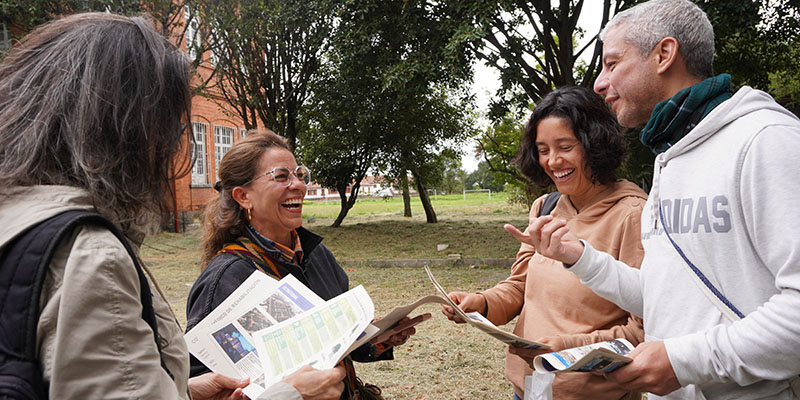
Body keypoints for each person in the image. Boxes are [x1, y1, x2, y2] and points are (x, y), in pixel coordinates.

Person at [0, 12, 344, 400]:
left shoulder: (20, 223)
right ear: (126, 130)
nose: (174, 147)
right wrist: (287, 394)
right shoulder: (93, 256)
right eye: (171, 125)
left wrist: (182, 391)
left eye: (298, 173)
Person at [505, 0, 800, 398]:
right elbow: (667, 295)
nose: (599, 83)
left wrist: (684, 361)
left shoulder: (766, 141)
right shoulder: (671, 158)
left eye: (612, 63)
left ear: (664, 54)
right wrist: (579, 257)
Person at [186, 129, 428, 399]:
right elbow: (200, 383)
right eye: (281, 176)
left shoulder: (317, 253)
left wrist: (375, 339)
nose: (299, 185)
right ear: (244, 197)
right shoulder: (224, 279)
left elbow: (337, 342)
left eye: (299, 174)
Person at [441, 86, 648, 400]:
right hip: (528, 389)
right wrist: (480, 304)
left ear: (594, 145)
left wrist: (564, 350)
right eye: (543, 149)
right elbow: (521, 288)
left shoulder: (634, 215)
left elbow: (643, 333)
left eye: (565, 146)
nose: (553, 161)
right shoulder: (546, 207)